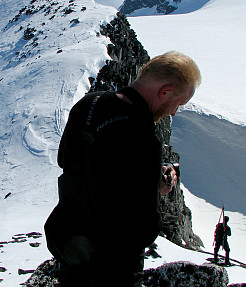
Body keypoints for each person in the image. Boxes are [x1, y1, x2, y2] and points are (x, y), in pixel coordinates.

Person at [44, 51, 201, 286]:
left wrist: (143, 182)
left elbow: (68, 161)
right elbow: (142, 230)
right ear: (165, 92)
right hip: (110, 265)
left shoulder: (88, 104)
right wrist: (153, 188)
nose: (174, 111)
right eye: (179, 103)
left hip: (69, 245)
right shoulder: (143, 137)